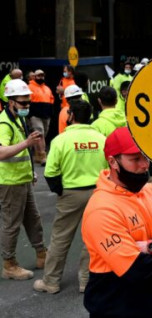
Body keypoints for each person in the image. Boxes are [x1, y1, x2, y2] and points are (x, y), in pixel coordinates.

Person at [81, 127, 152, 318]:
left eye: (145, 157)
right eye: (135, 159)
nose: (144, 165)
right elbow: (138, 270)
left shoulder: (151, 191)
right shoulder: (102, 209)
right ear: (113, 162)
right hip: (116, 311)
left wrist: (151, 246)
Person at [33, 99, 108, 294]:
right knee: (92, 238)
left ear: (71, 116)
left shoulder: (60, 140)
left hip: (70, 194)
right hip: (98, 193)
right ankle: (87, 280)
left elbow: (50, 173)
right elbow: (110, 169)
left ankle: (51, 281)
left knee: (60, 238)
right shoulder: (101, 138)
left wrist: (60, 191)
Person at [0, 79, 47, 280]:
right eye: (22, 103)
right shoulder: (4, 122)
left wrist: (30, 171)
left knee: (33, 219)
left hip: (22, 179)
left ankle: (42, 254)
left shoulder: (17, 119)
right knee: (11, 223)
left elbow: (21, 152)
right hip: (10, 182)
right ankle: (9, 264)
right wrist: (28, 142)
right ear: (11, 102)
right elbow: (1, 152)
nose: (26, 107)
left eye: (28, 103)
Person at [28, 69, 54, 165]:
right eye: (39, 76)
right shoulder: (29, 87)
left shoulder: (47, 88)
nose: (41, 77)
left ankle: (37, 155)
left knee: (42, 134)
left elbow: (51, 100)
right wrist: (29, 115)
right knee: (40, 134)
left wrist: (50, 113)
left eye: (42, 76)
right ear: (34, 77)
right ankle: (43, 156)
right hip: (35, 115)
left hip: (46, 115)